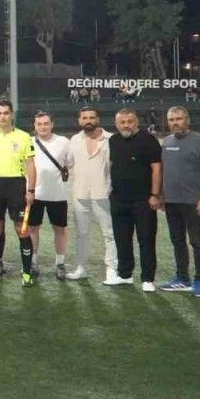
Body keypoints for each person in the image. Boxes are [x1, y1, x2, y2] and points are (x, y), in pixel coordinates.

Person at [0, 100, 38, 286]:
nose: (2, 116)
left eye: (6, 113)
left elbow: (30, 164)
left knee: (22, 229)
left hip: (16, 185)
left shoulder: (24, 136)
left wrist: (31, 190)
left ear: (11, 114)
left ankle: (26, 273)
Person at [159, 106, 200, 297]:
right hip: (171, 201)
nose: (175, 123)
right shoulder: (166, 142)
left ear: (187, 120)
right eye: (171, 120)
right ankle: (182, 278)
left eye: (179, 119)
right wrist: (161, 195)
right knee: (177, 241)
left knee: (197, 242)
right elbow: (164, 171)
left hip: (193, 202)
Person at [106, 109, 162, 291]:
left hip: (143, 201)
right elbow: (112, 166)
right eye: (122, 122)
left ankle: (148, 279)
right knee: (122, 239)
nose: (126, 125)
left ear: (136, 122)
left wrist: (155, 195)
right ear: (116, 124)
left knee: (146, 240)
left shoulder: (148, 140)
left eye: (130, 122)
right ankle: (125, 275)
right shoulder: (113, 141)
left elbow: (157, 169)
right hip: (119, 199)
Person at [64, 106, 117, 282]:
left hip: (105, 194)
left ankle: (112, 268)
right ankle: (81, 268)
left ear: (98, 119)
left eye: (92, 117)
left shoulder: (111, 139)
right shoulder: (74, 140)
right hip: (80, 195)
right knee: (81, 234)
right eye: (84, 118)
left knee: (109, 234)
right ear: (79, 120)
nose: (88, 121)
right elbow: (68, 163)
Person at [29, 112, 72, 281]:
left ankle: (60, 263)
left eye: (46, 123)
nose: (43, 127)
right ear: (34, 126)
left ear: (52, 125)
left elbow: (69, 164)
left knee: (59, 229)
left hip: (58, 194)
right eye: (39, 124)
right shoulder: (29, 142)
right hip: (35, 194)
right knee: (33, 229)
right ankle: (33, 262)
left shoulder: (63, 141)